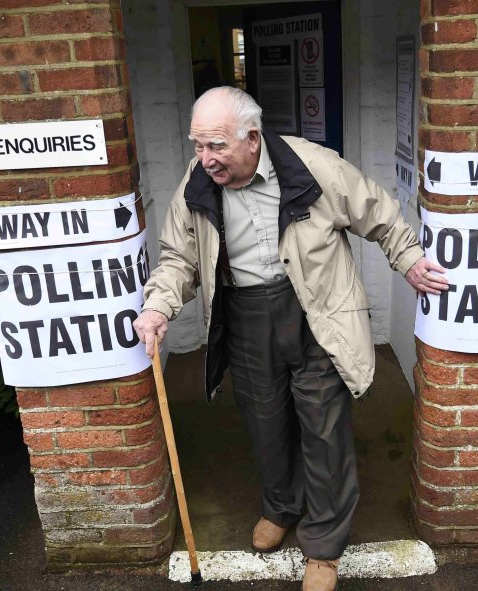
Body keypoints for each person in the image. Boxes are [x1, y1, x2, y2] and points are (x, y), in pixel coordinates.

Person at [133, 86, 448, 591]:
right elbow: (178, 259)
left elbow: (378, 212)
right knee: (265, 421)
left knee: (323, 427)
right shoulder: (197, 186)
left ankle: (323, 544)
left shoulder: (312, 166)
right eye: (198, 145)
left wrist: (408, 260)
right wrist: (158, 305)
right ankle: (281, 505)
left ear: (252, 138)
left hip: (316, 311)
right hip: (245, 316)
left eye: (216, 146)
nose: (205, 158)